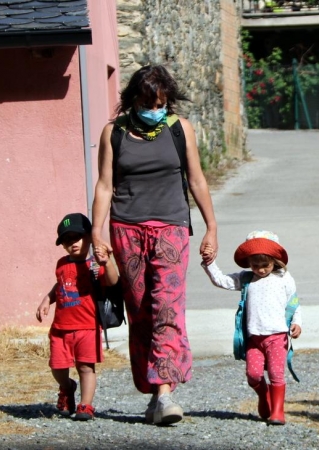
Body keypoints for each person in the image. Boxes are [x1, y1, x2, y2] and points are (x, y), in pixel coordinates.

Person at [90, 64, 219, 425]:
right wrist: (97, 233)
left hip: (171, 229)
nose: (155, 109)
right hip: (126, 230)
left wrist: (211, 227)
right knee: (141, 312)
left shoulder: (180, 129)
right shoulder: (113, 132)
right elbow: (104, 185)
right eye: (148, 102)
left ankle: (164, 393)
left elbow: (196, 179)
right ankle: (152, 390)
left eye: (161, 102)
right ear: (133, 99)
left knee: (167, 308)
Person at [201, 231, 302, 426]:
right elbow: (221, 280)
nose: (261, 270)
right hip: (254, 338)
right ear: (248, 263)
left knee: (276, 374)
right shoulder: (247, 279)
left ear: (275, 261)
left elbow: (294, 303)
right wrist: (209, 263)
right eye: (256, 266)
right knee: (253, 375)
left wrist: (297, 322)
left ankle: (277, 412)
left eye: (266, 265)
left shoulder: (284, 279)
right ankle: (264, 396)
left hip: (277, 337)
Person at [36, 213, 119, 421]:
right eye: (66, 240)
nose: (72, 243)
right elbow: (61, 285)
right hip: (61, 328)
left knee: (85, 367)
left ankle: (86, 405)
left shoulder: (94, 266)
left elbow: (112, 280)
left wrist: (107, 262)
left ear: (89, 238)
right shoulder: (61, 263)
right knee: (57, 365)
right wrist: (47, 299)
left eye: (77, 237)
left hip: (87, 327)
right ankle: (66, 387)